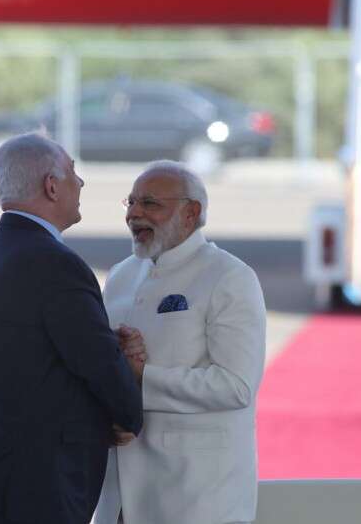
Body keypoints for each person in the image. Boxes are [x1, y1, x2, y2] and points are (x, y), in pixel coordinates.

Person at [0, 133, 144, 524]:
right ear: (51, 186)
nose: (81, 183)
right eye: (73, 172)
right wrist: (128, 415)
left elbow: (27, 354)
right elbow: (95, 360)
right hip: (39, 477)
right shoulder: (56, 263)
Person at [94, 161, 267, 524]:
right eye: (131, 202)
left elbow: (236, 386)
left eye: (150, 203)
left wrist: (143, 376)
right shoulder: (122, 275)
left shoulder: (229, 276)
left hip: (197, 498)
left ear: (191, 213)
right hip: (119, 496)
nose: (134, 214)